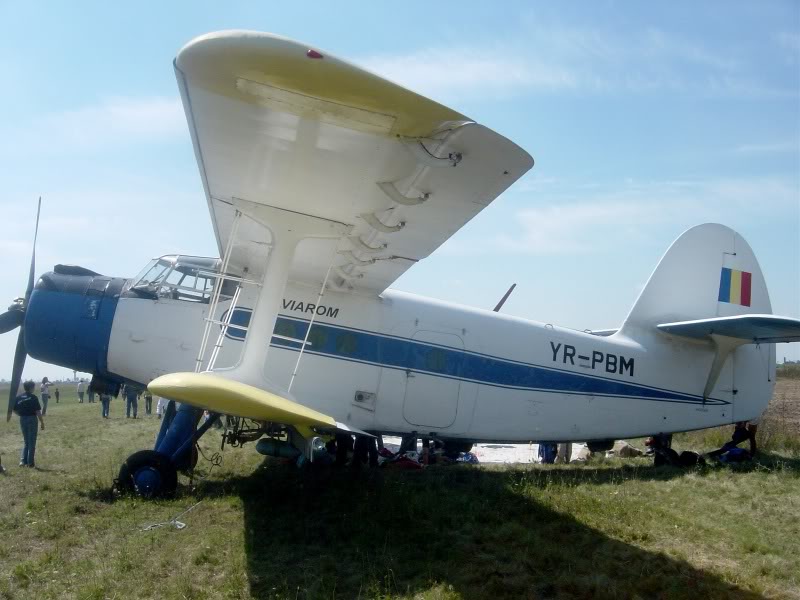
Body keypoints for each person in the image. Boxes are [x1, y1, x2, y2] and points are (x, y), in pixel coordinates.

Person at [13, 380, 45, 467]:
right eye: (33, 387)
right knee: (32, 441)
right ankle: (30, 462)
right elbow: (38, 411)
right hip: (32, 419)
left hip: (22, 419)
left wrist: (20, 414)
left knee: (26, 441)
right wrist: (42, 422)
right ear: (31, 388)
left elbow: (14, 409)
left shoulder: (18, 397)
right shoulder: (33, 397)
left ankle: (23, 461)